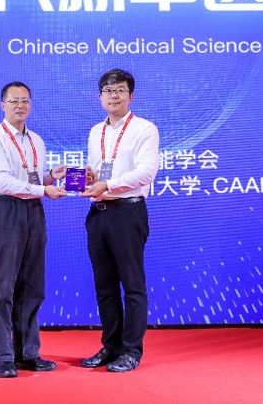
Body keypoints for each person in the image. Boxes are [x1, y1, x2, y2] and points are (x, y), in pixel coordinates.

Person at [0, 81, 67, 378]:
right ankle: (5, 356)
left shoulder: (36, 140)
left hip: (33, 210)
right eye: (14, 101)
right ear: (2, 105)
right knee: (3, 288)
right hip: (6, 210)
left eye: (25, 100)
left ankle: (28, 353)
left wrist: (50, 176)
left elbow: (31, 179)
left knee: (32, 286)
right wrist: (43, 189)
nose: (20, 106)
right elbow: (2, 181)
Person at [80, 69, 159, 373]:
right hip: (98, 214)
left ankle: (131, 350)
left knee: (132, 285)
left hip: (128, 212)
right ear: (100, 97)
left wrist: (108, 185)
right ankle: (111, 346)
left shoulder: (144, 129)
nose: (114, 95)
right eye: (108, 90)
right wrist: (90, 177)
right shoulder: (95, 131)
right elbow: (101, 169)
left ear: (131, 96)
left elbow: (146, 172)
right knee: (105, 285)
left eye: (120, 90)